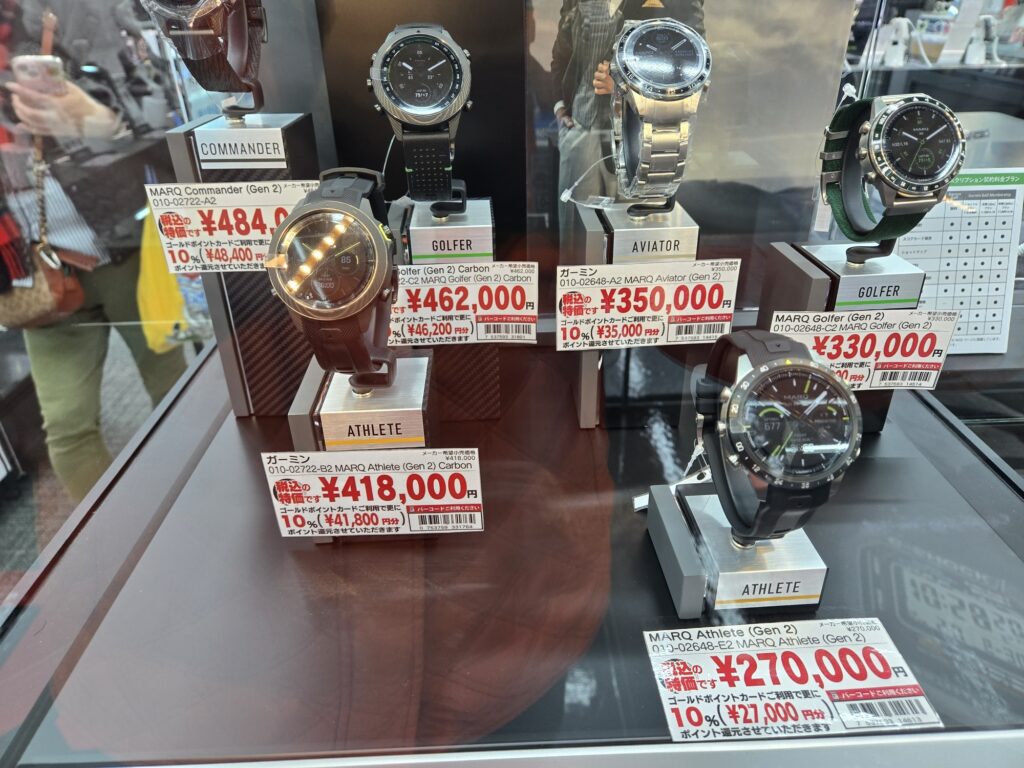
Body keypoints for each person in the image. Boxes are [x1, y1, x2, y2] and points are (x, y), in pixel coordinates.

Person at [2, 1, 185, 502]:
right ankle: (122, 530)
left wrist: (98, 121)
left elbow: (173, 107)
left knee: (176, 393)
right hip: (33, 275)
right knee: (67, 427)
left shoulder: (80, 12)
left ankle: (194, 504)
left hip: (126, 245)